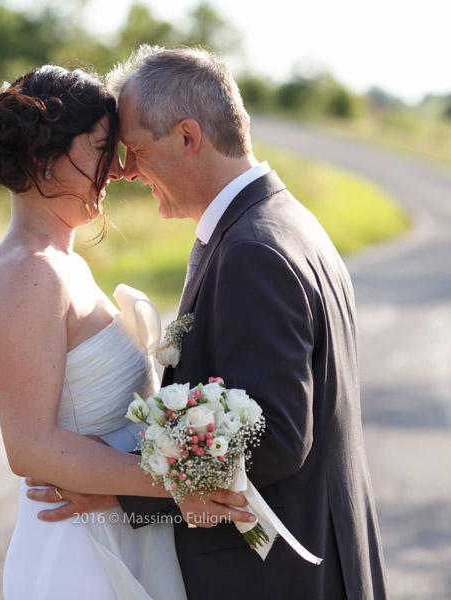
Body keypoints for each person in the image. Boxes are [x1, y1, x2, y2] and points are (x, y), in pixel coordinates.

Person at [31, 46, 388, 598]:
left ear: (187, 138)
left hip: (276, 579)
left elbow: (273, 440)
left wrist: (124, 492)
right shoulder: (283, 221)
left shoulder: (253, 252)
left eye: (134, 149)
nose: (124, 170)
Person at [0, 64, 247, 599]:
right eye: (102, 148)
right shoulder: (30, 274)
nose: (117, 170)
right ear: (44, 160)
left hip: (116, 533)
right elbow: (29, 447)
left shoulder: (60, 262)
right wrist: (179, 483)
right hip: (77, 553)